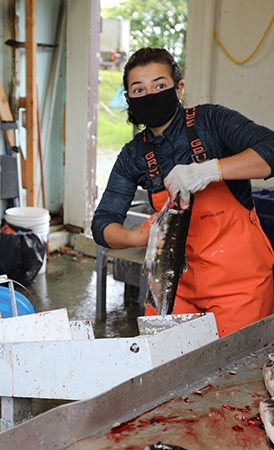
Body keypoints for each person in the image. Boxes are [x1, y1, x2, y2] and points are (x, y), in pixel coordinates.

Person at [92, 47, 274, 338]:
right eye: (138, 89)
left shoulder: (212, 122)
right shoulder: (133, 156)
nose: (150, 95)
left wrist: (208, 170)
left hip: (240, 292)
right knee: (167, 374)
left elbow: (270, 150)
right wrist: (135, 237)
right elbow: (102, 224)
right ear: (128, 99)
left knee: (235, 380)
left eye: (160, 86)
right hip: (173, 290)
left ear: (179, 88)